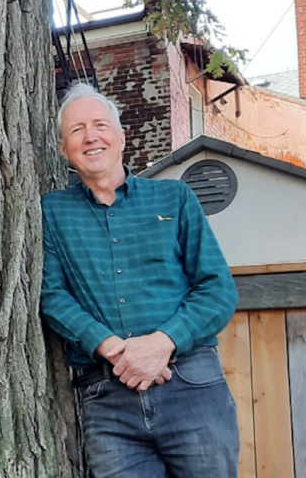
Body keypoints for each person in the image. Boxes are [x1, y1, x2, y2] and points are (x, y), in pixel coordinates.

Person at [40, 82, 240, 477]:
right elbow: (52, 295)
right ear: (63, 149)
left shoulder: (175, 198)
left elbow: (218, 289)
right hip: (107, 400)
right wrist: (116, 350)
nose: (91, 136)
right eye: (77, 130)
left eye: (100, 125)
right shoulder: (52, 211)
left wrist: (162, 344)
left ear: (121, 137)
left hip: (191, 385)